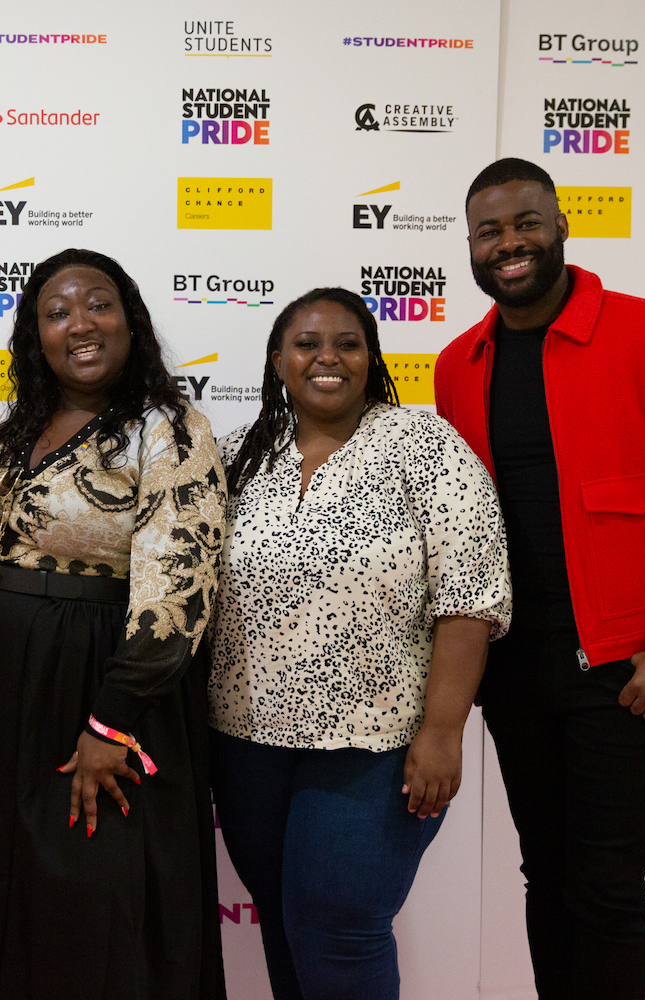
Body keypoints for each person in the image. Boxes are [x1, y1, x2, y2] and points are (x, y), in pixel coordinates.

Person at [435, 158, 645, 1000]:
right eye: (489, 231)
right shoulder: (458, 363)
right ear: (470, 246)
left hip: (626, 669)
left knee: (608, 886)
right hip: (514, 670)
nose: (509, 244)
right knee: (545, 875)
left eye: (526, 223)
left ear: (561, 228)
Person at [0, 248, 228, 1000]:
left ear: (130, 321)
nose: (80, 324)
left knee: (88, 896)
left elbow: (179, 588)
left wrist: (111, 722)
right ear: (36, 336)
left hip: (91, 682)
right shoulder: (14, 428)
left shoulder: (170, 431)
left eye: (98, 304)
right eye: (57, 313)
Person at [208, 287, 511, 1000]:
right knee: (284, 921)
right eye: (307, 344)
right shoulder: (238, 455)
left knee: (341, 927)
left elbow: (469, 598)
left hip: (374, 746)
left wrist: (442, 731)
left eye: (348, 344)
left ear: (371, 358)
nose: (328, 358)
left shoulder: (425, 447)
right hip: (246, 744)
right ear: (277, 360)